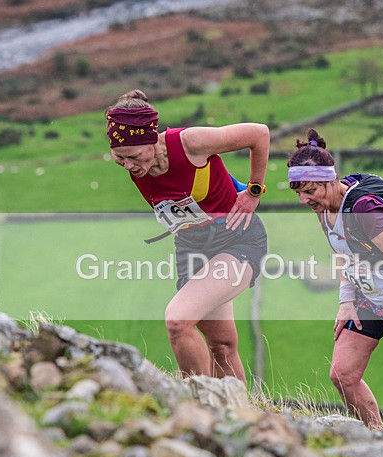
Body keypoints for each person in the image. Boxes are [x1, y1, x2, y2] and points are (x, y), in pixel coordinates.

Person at [106, 89, 269, 384]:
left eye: (132, 156)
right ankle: (239, 416)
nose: (128, 166)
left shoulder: (190, 143)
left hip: (236, 238)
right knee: (221, 345)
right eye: (119, 158)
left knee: (178, 321)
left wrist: (253, 192)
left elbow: (259, 134)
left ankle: (197, 405)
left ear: (152, 139)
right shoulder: (139, 163)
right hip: (191, 247)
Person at [287, 129, 383, 429]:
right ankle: (377, 441)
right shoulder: (324, 208)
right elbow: (345, 252)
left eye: (309, 191)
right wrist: (346, 301)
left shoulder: (363, 209)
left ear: (330, 180)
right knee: (343, 375)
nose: (303, 200)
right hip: (370, 298)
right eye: (298, 192)